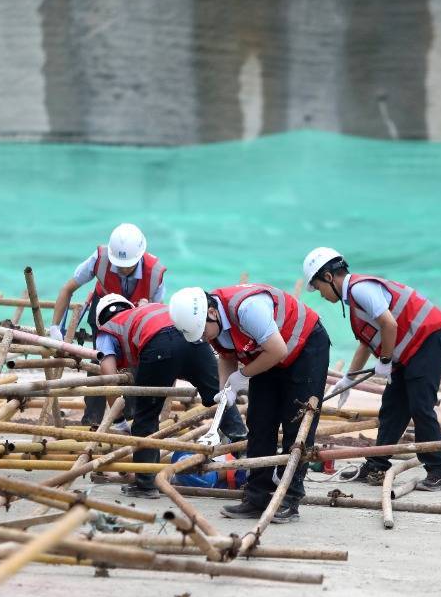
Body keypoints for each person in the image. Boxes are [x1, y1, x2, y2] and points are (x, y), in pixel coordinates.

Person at [168, 283, 329, 523]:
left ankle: (289, 499)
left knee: (297, 424)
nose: (203, 337)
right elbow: (226, 354)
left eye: (203, 331)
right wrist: (227, 389)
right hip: (267, 355)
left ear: (212, 313)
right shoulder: (211, 322)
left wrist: (243, 376)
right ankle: (257, 497)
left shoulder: (247, 309)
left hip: (303, 348)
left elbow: (278, 350)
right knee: (259, 421)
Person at [302, 247, 441, 490]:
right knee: (392, 409)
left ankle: (437, 472)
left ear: (329, 277)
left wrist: (384, 361)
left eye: (318, 287)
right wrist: (348, 378)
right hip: (410, 352)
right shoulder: (353, 301)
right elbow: (367, 342)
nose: (320, 294)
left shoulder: (360, 289)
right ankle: (376, 465)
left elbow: (389, 324)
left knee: (420, 407)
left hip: (428, 343)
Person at [94, 294, 248, 498]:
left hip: (159, 345)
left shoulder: (108, 329)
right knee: (218, 398)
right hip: (195, 338)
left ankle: (146, 484)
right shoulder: (149, 309)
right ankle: (245, 450)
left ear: (100, 321)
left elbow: (109, 375)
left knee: (147, 416)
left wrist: (119, 420)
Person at [50, 223, 166, 425]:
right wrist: (55, 328)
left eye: (127, 264)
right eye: (119, 264)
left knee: (134, 366)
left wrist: (147, 307)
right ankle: (92, 421)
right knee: (99, 361)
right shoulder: (100, 259)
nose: (122, 268)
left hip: (135, 319)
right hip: (103, 314)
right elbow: (67, 289)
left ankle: (127, 419)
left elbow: (157, 316)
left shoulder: (155, 272)